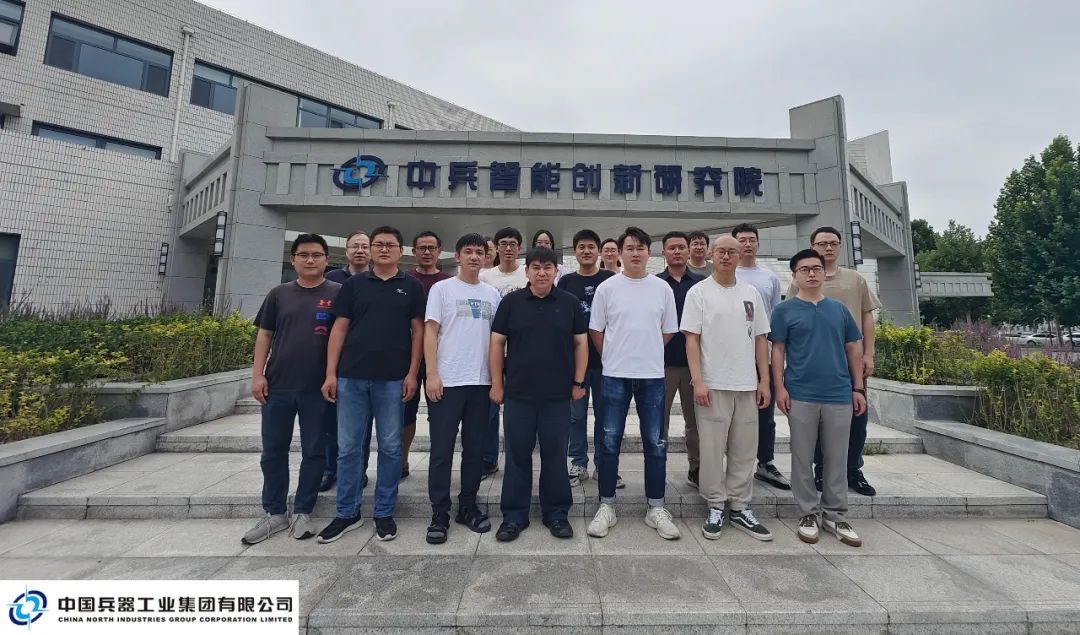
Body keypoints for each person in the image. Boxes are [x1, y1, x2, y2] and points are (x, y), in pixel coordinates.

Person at [318, 226, 424, 543]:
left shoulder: (412, 286)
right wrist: (331, 373)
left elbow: (418, 332)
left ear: (400, 251)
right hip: (351, 377)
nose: (384, 249)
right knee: (349, 447)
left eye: (390, 244)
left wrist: (412, 373)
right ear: (372, 249)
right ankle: (347, 512)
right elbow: (339, 329)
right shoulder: (353, 285)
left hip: (393, 379)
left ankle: (383, 512)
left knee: (391, 447)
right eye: (379, 244)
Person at [242, 233, 338, 545]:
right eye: (304, 255)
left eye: (317, 255)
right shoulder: (278, 294)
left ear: (327, 260)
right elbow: (264, 335)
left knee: (314, 451)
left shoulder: (338, 293)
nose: (310, 260)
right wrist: (257, 375)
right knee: (273, 451)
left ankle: (303, 512)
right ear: (293, 259)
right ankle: (274, 513)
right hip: (278, 385)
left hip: (318, 388)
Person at [587, 226, 681, 540]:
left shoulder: (661, 288)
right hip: (614, 374)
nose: (635, 253)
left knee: (655, 442)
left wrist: (646, 351)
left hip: (652, 375)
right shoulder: (607, 288)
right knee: (609, 440)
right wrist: (613, 355)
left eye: (641, 247)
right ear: (620, 253)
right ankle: (606, 505)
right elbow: (596, 330)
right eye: (630, 247)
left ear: (649, 252)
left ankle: (656, 507)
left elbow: (668, 331)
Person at [490, 246, 588, 541]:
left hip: (557, 396)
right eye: (536, 267)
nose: (542, 272)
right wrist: (497, 383)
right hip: (518, 394)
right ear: (527, 271)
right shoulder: (511, 302)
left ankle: (556, 514)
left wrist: (578, 382)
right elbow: (497, 343)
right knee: (517, 455)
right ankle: (514, 516)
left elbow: (581, 344)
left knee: (555, 455)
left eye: (548, 267)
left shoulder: (569, 303)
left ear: (556, 271)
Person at [772, 249, 866, 547]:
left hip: (839, 393)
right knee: (802, 456)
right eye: (804, 269)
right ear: (794, 276)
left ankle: (835, 515)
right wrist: (779, 387)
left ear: (824, 273)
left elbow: (853, 348)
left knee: (837, 457)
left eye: (816, 268)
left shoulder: (839, 310)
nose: (811, 273)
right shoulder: (784, 311)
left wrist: (858, 388)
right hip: (801, 393)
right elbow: (778, 350)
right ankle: (808, 513)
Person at [683, 235, 773, 541]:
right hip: (713, 383)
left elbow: (760, 339)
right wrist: (698, 380)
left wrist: (764, 380)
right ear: (711, 254)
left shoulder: (751, 293)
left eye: (731, 252)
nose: (726, 256)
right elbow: (692, 340)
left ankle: (740, 505)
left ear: (739, 256)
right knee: (711, 449)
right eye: (721, 251)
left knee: (745, 449)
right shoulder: (699, 292)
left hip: (747, 384)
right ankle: (715, 504)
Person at [786, 226, 882, 497]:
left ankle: (853, 469)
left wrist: (869, 354)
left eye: (833, 243)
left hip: (850, 362)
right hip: (813, 364)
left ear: (840, 246)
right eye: (822, 244)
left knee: (857, 418)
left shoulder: (854, 279)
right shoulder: (800, 281)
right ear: (812, 246)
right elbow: (791, 320)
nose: (828, 248)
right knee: (816, 421)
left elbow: (867, 317)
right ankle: (822, 469)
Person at [423, 233, 502, 544]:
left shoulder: (492, 294)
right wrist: (431, 374)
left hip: (481, 384)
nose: (474, 257)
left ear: (486, 257)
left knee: (474, 451)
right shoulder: (442, 289)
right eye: (468, 251)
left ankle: (467, 505)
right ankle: (439, 512)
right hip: (448, 382)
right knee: (441, 451)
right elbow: (430, 332)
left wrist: (497, 380)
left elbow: (498, 340)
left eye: (479, 252)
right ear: (457, 256)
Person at [557, 229, 624, 488]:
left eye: (591, 247)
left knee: (606, 417)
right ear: (575, 251)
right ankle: (578, 463)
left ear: (599, 251)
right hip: (576, 363)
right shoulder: (566, 282)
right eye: (581, 247)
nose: (586, 251)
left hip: (608, 360)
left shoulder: (611, 279)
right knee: (576, 416)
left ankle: (604, 465)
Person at [731, 223, 789, 491]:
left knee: (765, 412)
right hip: (730, 356)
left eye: (751, 239)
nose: (747, 244)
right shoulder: (725, 274)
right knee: (732, 413)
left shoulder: (769, 278)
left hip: (761, 354)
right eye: (742, 240)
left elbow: (775, 317)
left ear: (758, 244)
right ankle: (733, 464)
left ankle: (765, 462)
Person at [320, 230, 371, 493]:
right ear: (346, 250)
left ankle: (358, 471)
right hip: (335, 360)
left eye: (364, 246)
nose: (360, 251)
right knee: (331, 422)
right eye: (355, 246)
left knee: (363, 425)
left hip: (365, 362)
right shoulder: (331, 280)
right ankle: (330, 470)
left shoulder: (378, 280)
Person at [478, 227, 528, 480]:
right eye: (504, 243)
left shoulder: (527, 274)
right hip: (493, 352)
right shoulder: (485, 277)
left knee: (518, 413)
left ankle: (518, 460)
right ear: (495, 248)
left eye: (513, 244)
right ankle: (488, 459)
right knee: (489, 409)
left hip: (522, 354)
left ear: (520, 247)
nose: (508, 248)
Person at [656, 231, 705, 488]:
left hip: (694, 366)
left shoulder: (702, 284)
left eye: (681, 247)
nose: (676, 251)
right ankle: (657, 467)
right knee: (658, 422)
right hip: (660, 364)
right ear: (663, 252)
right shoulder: (654, 284)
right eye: (671, 247)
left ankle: (696, 467)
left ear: (689, 251)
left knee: (695, 422)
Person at [403, 230, 452, 477]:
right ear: (414, 251)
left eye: (431, 248)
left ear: (439, 252)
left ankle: (438, 464)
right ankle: (402, 461)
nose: (427, 252)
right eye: (422, 248)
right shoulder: (404, 280)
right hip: (407, 358)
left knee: (439, 414)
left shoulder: (448, 283)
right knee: (406, 414)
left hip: (440, 359)